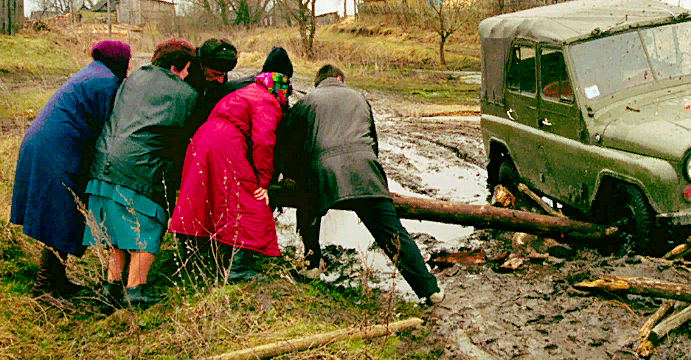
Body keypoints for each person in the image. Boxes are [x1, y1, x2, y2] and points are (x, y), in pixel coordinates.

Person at [283, 64, 444, 304]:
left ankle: (311, 265)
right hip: (365, 169)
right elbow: (373, 142)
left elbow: (290, 145)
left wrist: (293, 176)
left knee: (308, 213)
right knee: (392, 232)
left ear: (319, 83)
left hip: (322, 172)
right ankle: (430, 289)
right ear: (340, 78)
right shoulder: (359, 98)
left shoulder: (307, 102)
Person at [82, 38, 199, 308]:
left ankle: (111, 287)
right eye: (186, 70)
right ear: (175, 68)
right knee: (148, 226)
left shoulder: (133, 78)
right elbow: (182, 136)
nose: (187, 76)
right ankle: (135, 290)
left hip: (105, 160)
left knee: (117, 230)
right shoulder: (184, 94)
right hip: (139, 167)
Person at [10, 40, 131, 296]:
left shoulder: (92, 72)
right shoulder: (105, 82)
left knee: (60, 214)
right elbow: (106, 128)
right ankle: (44, 286)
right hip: (57, 149)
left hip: (45, 143)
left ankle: (55, 279)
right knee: (61, 214)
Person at [168, 53, 292, 283]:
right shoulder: (268, 101)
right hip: (226, 144)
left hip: (202, 140)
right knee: (248, 200)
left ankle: (190, 259)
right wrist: (264, 181)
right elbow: (263, 142)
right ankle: (239, 268)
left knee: (200, 197)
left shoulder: (243, 92)